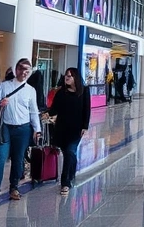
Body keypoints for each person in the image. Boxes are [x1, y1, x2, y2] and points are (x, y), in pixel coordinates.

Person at [0, 58, 42, 206]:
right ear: (16, 70)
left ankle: (14, 187)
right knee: (0, 158)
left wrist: (37, 130)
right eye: (21, 68)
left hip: (23, 129)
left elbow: (33, 112)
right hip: (5, 128)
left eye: (27, 69)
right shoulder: (4, 86)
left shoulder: (30, 90)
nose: (24, 72)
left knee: (18, 159)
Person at [47, 67, 90, 195]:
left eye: (69, 76)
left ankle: (65, 182)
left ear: (75, 78)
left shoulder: (84, 91)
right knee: (68, 154)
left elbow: (87, 110)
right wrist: (47, 113)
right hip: (62, 128)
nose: (67, 78)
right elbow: (54, 109)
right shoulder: (61, 92)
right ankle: (71, 174)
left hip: (76, 129)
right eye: (66, 76)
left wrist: (85, 126)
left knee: (71, 151)